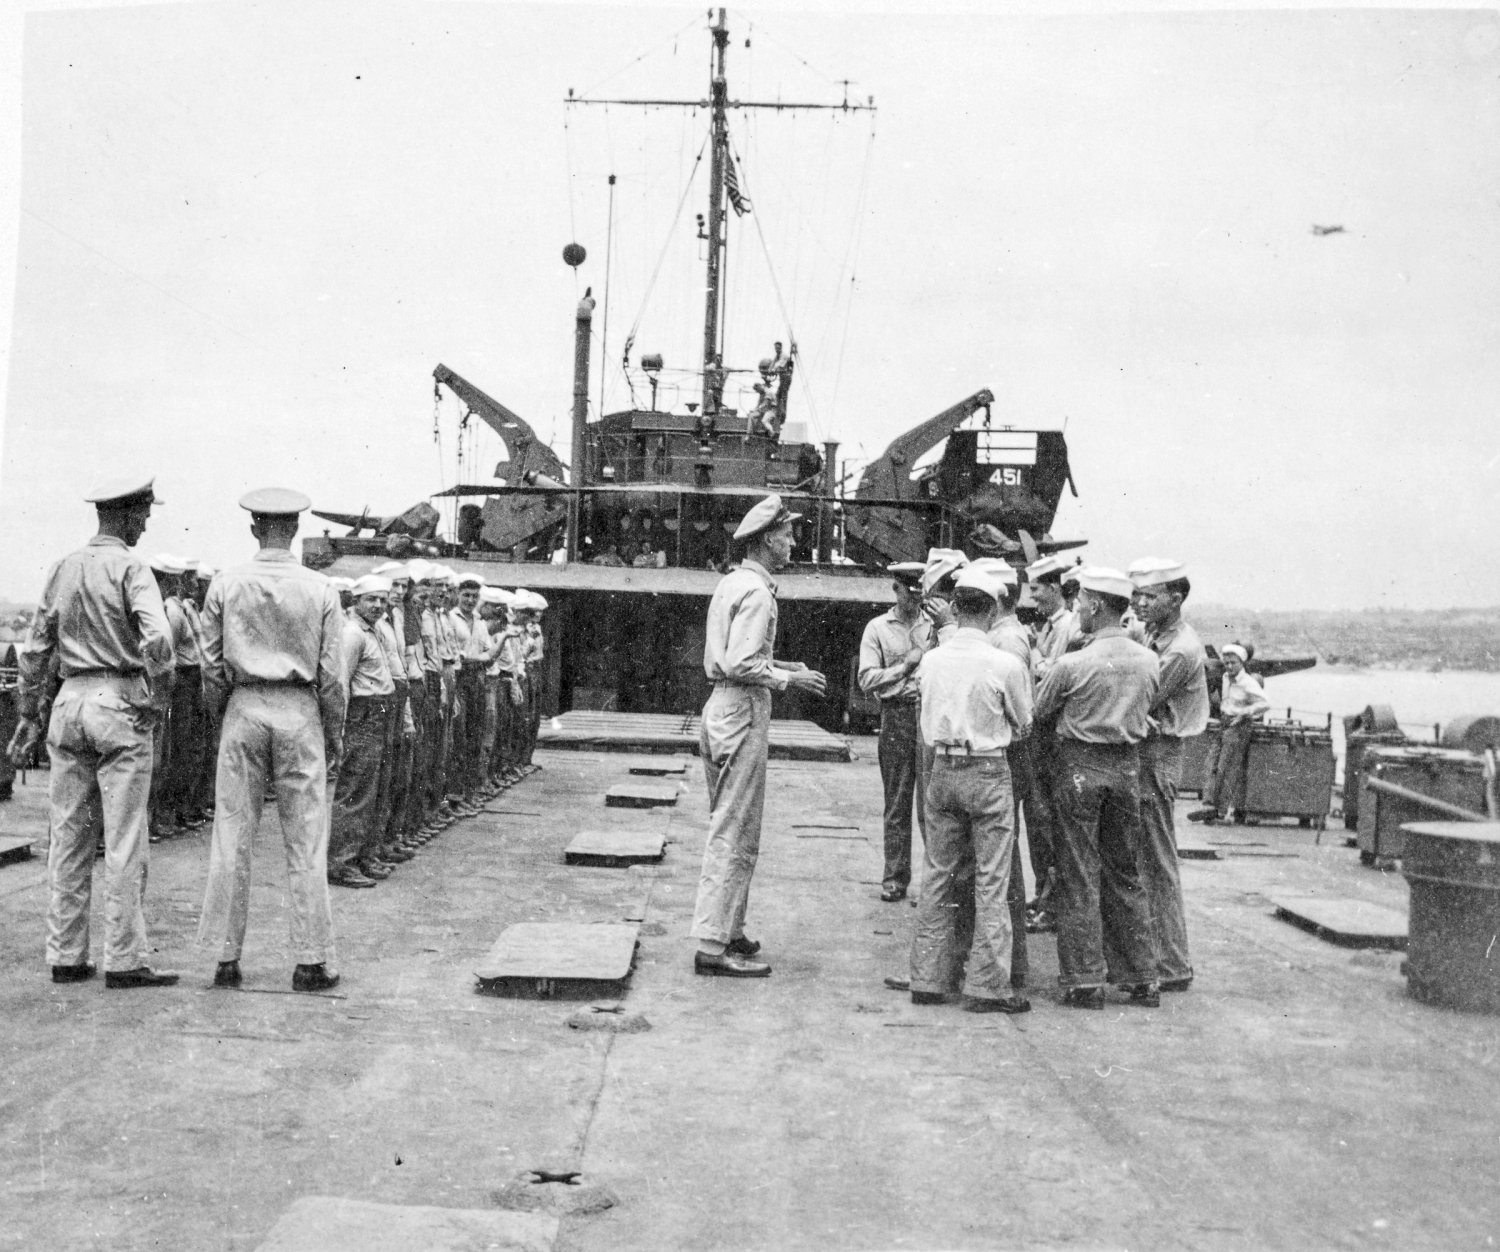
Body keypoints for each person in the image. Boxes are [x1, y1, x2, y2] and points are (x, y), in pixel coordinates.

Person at [11, 476, 178, 988]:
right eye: (143, 514)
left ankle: (66, 955)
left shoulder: (63, 566)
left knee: (68, 835)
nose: (145, 523)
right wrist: (158, 699)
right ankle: (124, 960)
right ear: (125, 514)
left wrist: (29, 714)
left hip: (69, 701)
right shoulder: (131, 568)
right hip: (120, 699)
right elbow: (159, 640)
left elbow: (36, 648)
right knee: (124, 838)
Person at [196, 488, 347, 993]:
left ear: (255, 528)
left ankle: (224, 958)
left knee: (232, 835)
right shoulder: (321, 588)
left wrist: (222, 714)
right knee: (306, 839)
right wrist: (334, 731)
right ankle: (310, 960)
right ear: (296, 529)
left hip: (244, 704)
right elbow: (332, 675)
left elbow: (210, 666)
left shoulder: (226, 582)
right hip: (299, 709)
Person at [691, 493, 827, 977]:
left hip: (723, 707)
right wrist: (791, 679)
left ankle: (729, 928)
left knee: (735, 823)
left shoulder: (734, 582)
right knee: (734, 829)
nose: (792, 543)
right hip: (742, 709)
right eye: (787, 536)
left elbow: (732, 655)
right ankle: (712, 945)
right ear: (768, 539)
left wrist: (785, 664)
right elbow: (741, 662)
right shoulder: (758, 593)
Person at [1032, 566, 1162, 1010]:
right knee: (1126, 870)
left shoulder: (1073, 663)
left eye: (1082, 601)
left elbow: (1039, 712)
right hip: (1127, 770)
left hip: (1080, 768)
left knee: (1079, 871)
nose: (1078, 608)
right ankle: (1142, 976)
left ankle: (1085, 978)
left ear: (1098, 605)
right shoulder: (1149, 660)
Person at [907, 564, 1034, 1013]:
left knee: (937, 876)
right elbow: (1024, 722)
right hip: (988, 770)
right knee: (991, 881)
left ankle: (927, 978)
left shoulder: (931, 660)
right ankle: (987, 985)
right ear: (994, 610)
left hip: (942, 768)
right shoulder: (1005, 663)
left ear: (956, 608)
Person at [1129, 557, 1210, 993]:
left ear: (1175, 599)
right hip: (1145, 750)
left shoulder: (1181, 648)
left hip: (1158, 755)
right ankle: (1153, 957)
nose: (1139, 603)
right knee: (1143, 858)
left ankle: (1172, 963)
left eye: (1149, 596)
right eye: (1136, 595)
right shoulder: (1153, 634)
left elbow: (1141, 695)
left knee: (1158, 860)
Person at [857, 562, 931, 903]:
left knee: (931, 805)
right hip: (897, 716)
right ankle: (895, 878)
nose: (915, 600)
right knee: (897, 802)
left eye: (919, 593)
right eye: (909, 592)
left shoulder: (935, 626)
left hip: (928, 716)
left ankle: (936, 882)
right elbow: (866, 678)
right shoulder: (877, 629)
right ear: (895, 588)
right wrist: (905, 667)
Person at [328, 573, 397, 888]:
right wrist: (340, 728)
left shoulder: (375, 631)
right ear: (356, 601)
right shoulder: (353, 634)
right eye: (371, 599)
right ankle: (340, 863)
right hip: (362, 714)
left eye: (383, 600)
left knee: (374, 790)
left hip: (379, 710)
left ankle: (365, 855)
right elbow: (341, 683)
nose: (378, 605)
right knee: (355, 791)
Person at [1190, 643, 1269, 825]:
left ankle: (1221, 811)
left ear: (1242, 663)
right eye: (1227, 663)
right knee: (1212, 764)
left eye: (1234, 663)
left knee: (1228, 767)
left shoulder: (1248, 682)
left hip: (1238, 725)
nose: (1229, 666)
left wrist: (1245, 713)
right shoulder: (1225, 677)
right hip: (1224, 722)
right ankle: (1208, 805)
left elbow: (1264, 703)